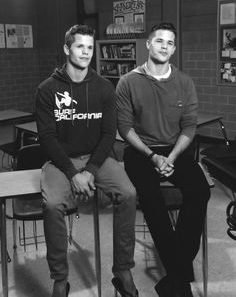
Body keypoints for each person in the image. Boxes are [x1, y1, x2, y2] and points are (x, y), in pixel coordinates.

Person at [35, 24, 138, 297]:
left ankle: (123, 269)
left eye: (90, 47)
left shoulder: (105, 88)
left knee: (128, 193)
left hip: (98, 158)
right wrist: (72, 173)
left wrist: (90, 170)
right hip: (60, 162)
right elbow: (46, 137)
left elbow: (108, 134)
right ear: (67, 49)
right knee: (54, 204)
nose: (86, 52)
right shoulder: (47, 89)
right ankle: (60, 278)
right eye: (80, 46)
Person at [116, 22, 210, 297]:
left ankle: (175, 276)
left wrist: (171, 156)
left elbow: (189, 126)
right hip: (140, 151)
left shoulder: (184, 82)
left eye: (170, 43)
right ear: (148, 43)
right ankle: (180, 281)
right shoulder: (128, 82)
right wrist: (152, 156)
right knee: (151, 198)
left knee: (200, 190)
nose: (164, 46)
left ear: (174, 48)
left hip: (174, 149)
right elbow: (125, 128)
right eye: (159, 41)